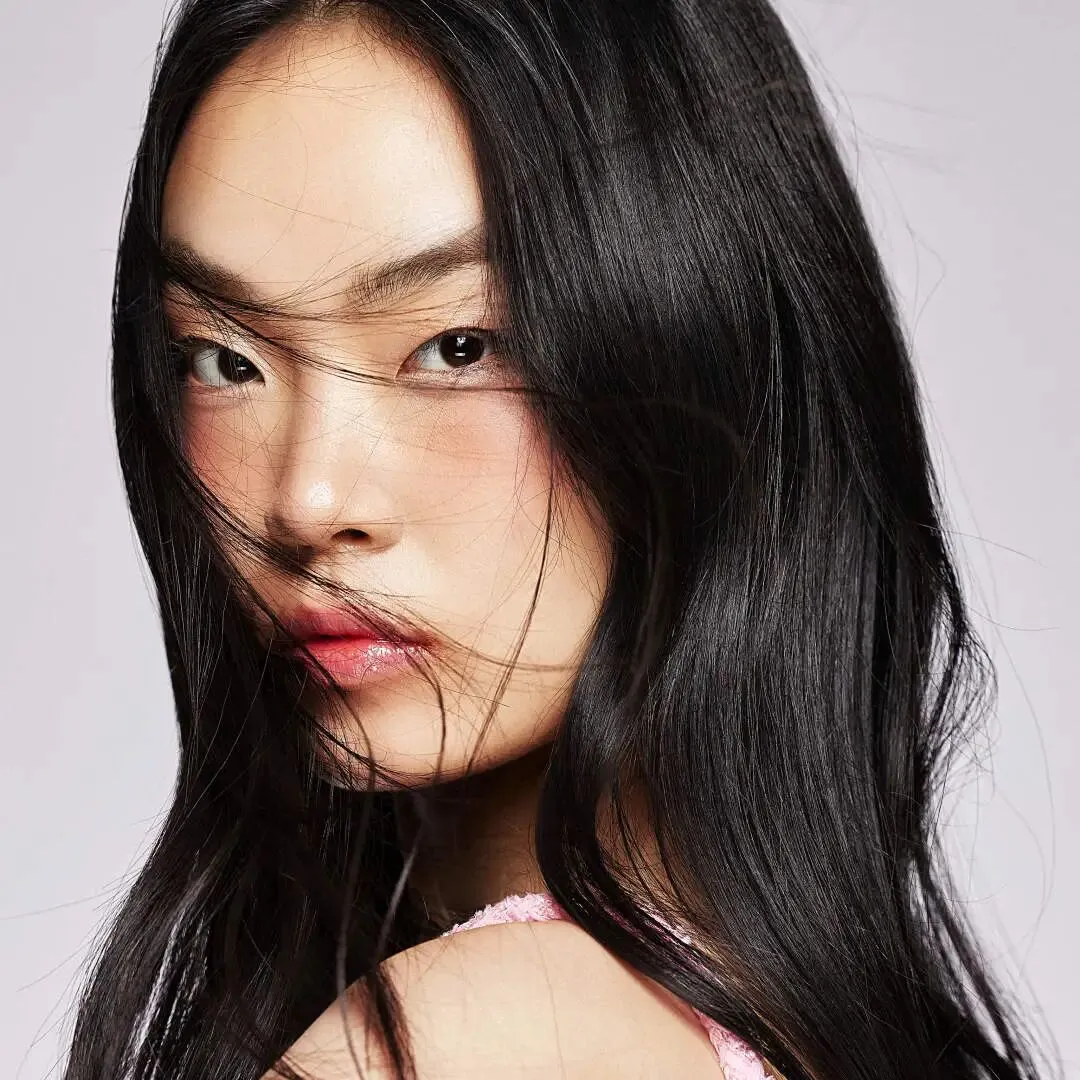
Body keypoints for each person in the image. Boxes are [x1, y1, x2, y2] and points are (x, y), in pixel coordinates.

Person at [62, 1, 1052, 1078]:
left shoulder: (468, 1042)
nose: (306, 499)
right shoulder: (791, 1022)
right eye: (222, 359)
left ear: (702, 353)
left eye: (459, 346)